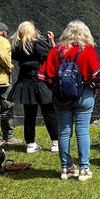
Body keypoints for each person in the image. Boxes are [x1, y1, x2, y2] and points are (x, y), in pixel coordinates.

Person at [38, 20, 100, 181]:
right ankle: (84, 169)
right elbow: (97, 75)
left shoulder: (56, 51)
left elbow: (43, 76)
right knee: (82, 131)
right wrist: (95, 88)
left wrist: (54, 88)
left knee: (64, 131)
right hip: (84, 94)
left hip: (61, 97)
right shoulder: (88, 50)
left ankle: (66, 168)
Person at [8, 21, 59, 153]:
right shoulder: (37, 44)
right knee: (49, 112)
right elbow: (53, 55)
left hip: (24, 82)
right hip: (40, 82)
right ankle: (55, 142)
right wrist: (51, 41)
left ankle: (30, 144)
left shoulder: (17, 47)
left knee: (29, 114)